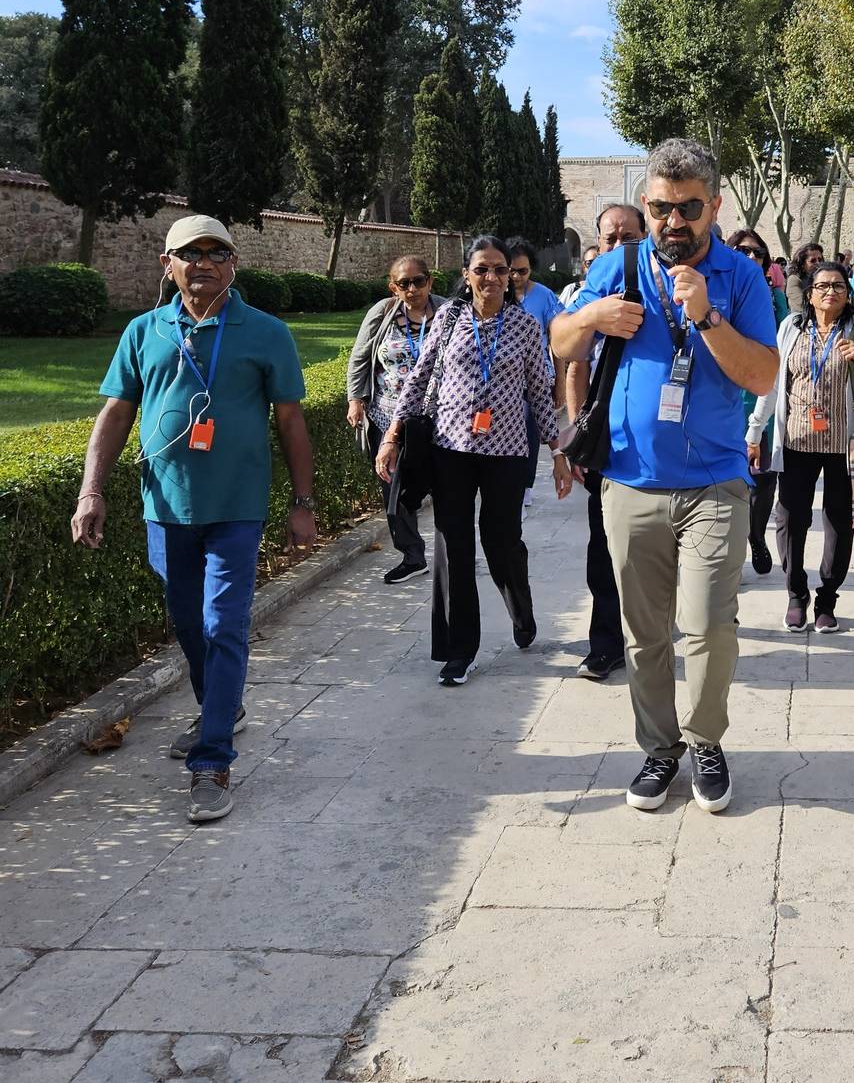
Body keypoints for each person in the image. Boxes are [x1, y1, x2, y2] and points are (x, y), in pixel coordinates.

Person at [551, 137, 779, 815]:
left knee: (709, 623)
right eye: (660, 208)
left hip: (715, 482)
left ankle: (706, 741)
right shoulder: (618, 266)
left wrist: (705, 315)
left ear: (715, 206)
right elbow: (561, 342)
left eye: (688, 208)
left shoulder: (741, 278)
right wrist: (591, 317)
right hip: (630, 481)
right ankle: (659, 747)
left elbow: (763, 375)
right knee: (644, 633)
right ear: (645, 205)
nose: (673, 221)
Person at [71, 215, 317, 824]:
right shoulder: (143, 331)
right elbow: (115, 413)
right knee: (188, 622)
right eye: (191, 253)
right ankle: (221, 708)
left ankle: (212, 761)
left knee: (222, 624)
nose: (204, 262)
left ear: (234, 263)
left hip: (237, 507)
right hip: (166, 508)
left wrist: (303, 503)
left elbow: (290, 421)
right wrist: (90, 492)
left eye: (217, 252)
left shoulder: (266, 332)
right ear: (168, 264)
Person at [378, 235, 572, 685]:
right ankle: (459, 650)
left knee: (502, 543)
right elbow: (418, 379)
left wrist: (557, 451)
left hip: (506, 453)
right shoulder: (448, 318)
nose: (491, 277)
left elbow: (539, 393)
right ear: (466, 275)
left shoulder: (525, 326)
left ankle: (520, 610)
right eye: (481, 269)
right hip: (451, 450)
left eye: (500, 269)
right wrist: (392, 435)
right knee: (454, 547)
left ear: (511, 276)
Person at [750, 261, 854, 632]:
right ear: (809, 293)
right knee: (790, 520)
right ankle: (795, 594)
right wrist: (755, 431)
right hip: (796, 441)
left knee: (838, 523)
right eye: (822, 286)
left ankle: (827, 599)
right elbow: (773, 383)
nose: (830, 292)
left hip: (845, 446)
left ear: (847, 293)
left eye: (838, 286)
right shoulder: (791, 327)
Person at [566, 200, 646, 681]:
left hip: (655, 445)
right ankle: (606, 645)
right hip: (607, 443)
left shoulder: (658, 288)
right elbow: (574, 362)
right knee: (604, 548)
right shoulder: (589, 298)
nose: (617, 246)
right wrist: (577, 432)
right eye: (610, 238)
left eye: (627, 238)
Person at [346, 254, 441, 583]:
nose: (412, 289)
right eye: (404, 283)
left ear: (430, 281)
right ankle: (412, 556)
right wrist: (355, 399)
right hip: (386, 415)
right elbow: (360, 357)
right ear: (393, 287)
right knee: (394, 488)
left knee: (444, 484)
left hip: (436, 418)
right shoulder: (383, 312)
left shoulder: (448, 312)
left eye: (419, 281)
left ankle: (453, 550)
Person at [730, 229, 790, 575]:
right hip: (723, 400)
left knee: (764, 479)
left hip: (763, 397)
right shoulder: (716, 291)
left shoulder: (775, 298)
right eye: (742, 250)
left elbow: (784, 344)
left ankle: (756, 534)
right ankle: (734, 547)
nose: (751, 256)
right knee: (727, 480)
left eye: (757, 252)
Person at [507, 237, 564, 511]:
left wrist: (560, 383)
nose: (516, 277)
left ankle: (525, 486)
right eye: (511, 271)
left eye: (523, 271)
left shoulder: (544, 296)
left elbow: (558, 341)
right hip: (503, 381)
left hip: (536, 379)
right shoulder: (495, 295)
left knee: (530, 434)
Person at [786, 242, 825, 318]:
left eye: (820, 260)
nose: (818, 263)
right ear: (802, 264)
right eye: (813, 261)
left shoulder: (824, 279)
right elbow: (803, 304)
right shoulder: (794, 279)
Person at [560, 243, 600, 309]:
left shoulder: (612, 292)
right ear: (584, 266)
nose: (593, 267)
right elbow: (558, 314)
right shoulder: (572, 289)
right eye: (589, 263)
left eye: (598, 262)